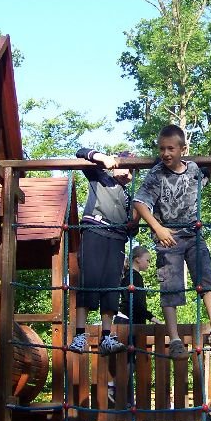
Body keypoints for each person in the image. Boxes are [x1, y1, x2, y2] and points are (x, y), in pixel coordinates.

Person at [132, 124, 211, 360]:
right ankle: (175, 339)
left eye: (171, 148)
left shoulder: (193, 169)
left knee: (206, 277)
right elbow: (139, 202)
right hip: (169, 237)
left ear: (183, 149)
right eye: (161, 149)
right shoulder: (157, 174)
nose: (165, 153)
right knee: (170, 285)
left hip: (193, 234)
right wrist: (158, 228)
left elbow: (206, 176)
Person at [69, 147, 139, 356]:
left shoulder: (129, 197)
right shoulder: (99, 176)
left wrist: (135, 220)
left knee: (111, 286)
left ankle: (107, 336)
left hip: (117, 239)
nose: (128, 174)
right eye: (126, 168)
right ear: (115, 164)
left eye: (132, 172)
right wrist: (102, 158)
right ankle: (80, 335)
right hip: (95, 231)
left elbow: (132, 229)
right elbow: (80, 152)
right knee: (89, 281)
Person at [109, 246, 162, 405]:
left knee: (129, 360)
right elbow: (135, 303)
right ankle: (115, 388)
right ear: (137, 259)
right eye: (148, 260)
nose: (149, 263)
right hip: (128, 322)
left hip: (126, 321)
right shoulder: (134, 277)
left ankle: (122, 395)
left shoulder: (129, 276)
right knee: (129, 360)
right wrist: (152, 317)